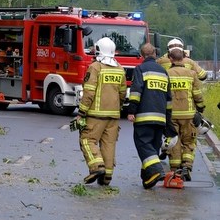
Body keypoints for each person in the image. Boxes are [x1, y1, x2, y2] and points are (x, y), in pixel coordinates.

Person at [73, 37, 125, 185]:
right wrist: (117, 108)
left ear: (98, 50)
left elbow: (89, 92)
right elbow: (122, 93)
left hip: (95, 114)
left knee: (87, 139)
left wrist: (81, 113)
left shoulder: (95, 67)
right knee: (109, 144)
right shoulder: (119, 68)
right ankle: (106, 177)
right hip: (113, 115)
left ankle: (96, 167)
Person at [126, 43, 175, 189]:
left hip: (144, 117)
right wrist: (168, 119)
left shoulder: (140, 69)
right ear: (154, 53)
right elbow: (168, 98)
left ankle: (157, 170)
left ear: (142, 55)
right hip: (160, 117)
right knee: (153, 147)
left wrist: (131, 111)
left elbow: (136, 92)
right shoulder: (163, 71)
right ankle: (148, 178)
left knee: (143, 144)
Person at [166, 42, 206, 181]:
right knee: (189, 142)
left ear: (170, 58)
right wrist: (200, 108)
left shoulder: (166, 74)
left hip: (172, 114)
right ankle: (187, 166)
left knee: (174, 141)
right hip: (188, 114)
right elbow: (197, 94)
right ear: (183, 58)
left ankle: (175, 170)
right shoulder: (191, 74)